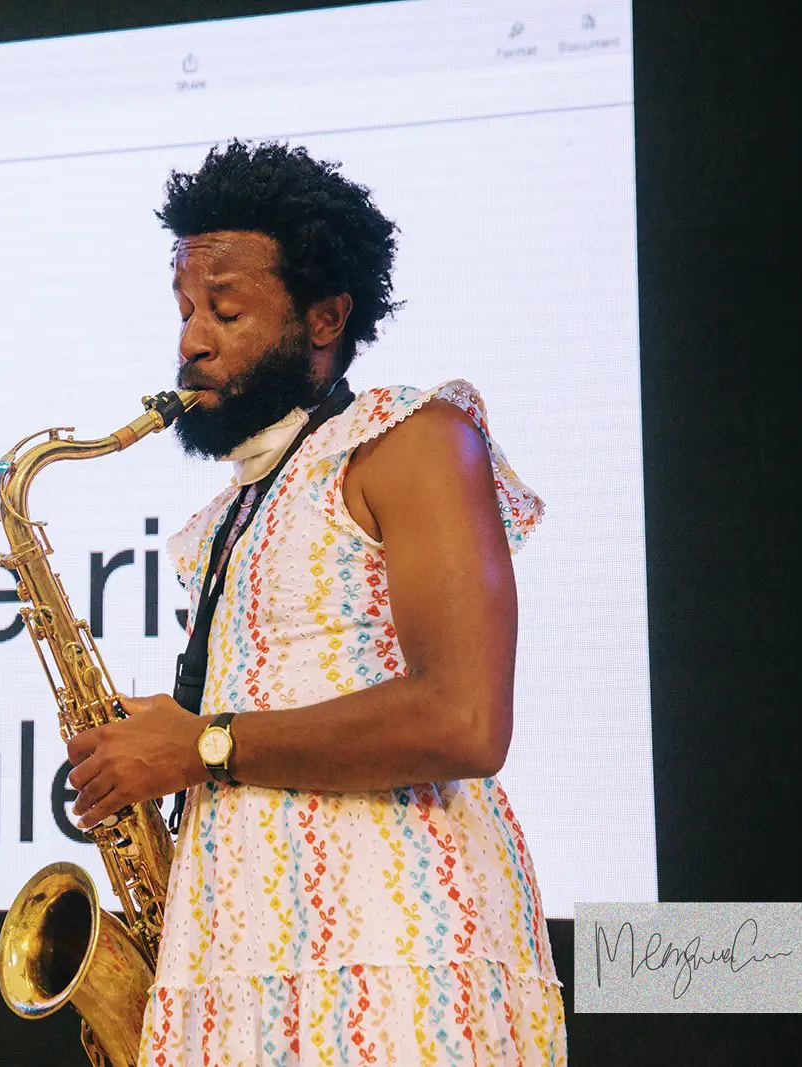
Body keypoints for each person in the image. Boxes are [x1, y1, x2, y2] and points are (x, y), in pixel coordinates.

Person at [63, 141, 567, 1065]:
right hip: (239, 975)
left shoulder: (412, 438)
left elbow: (466, 719)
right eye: (184, 309)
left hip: (398, 974)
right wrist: (164, 742)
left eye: (225, 309)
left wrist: (204, 741)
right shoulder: (236, 507)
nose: (191, 341)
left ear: (326, 315)